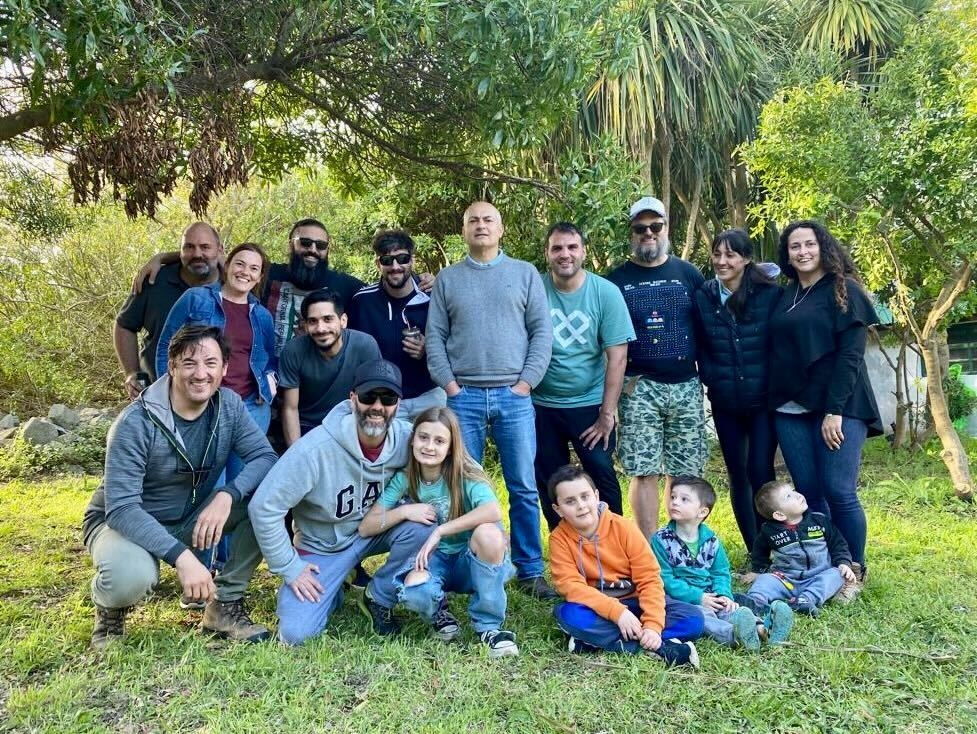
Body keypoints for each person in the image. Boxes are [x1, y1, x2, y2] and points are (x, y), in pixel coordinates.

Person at [82, 325, 277, 648]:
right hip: (124, 523)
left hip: (189, 514)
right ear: (171, 366)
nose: (201, 374)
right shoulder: (135, 423)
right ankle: (110, 611)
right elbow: (122, 508)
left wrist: (227, 494)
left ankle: (224, 605)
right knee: (131, 577)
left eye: (211, 363)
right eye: (189, 363)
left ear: (225, 369)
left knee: (267, 502)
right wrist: (184, 558)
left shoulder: (228, 405)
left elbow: (263, 457)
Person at [249, 360, 435, 645]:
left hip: (376, 531)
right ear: (352, 399)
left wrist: (489, 525)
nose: (377, 406)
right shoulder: (316, 449)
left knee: (423, 525)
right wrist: (289, 567)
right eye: (368, 396)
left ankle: (379, 596)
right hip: (323, 546)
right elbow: (264, 507)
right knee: (297, 635)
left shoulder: (409, 439)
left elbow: (461, 471)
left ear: (397, 404)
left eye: (387, 398)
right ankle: (335, 584)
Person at [426, 200, 555, 598]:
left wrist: (526, 383)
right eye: (473, 221)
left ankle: (531, 570)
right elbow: (435, 337)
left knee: (523, 484)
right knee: (462, 486)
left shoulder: (524, 273)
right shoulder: (449, 279)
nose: (481, 226)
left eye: (488, 220)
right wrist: (450, 387)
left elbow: (541, 333)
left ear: (501, 229)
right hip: (462, 396)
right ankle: (473, 565)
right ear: (463, 231)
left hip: (513, 397)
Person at [767, 220, 881, 600]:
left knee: (838, 490)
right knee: (810, 493)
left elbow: (851, 357)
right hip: (791, 407)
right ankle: (826, 568)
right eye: (794, 246)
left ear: (823, 247)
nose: (802, 252)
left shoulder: (844, 291)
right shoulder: (785, 296)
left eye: (809, 244)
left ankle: (855, 571)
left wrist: (834, 411)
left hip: (840, 406)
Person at [359, 407, 518, 657]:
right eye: (423, 437)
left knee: (489, 533)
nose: (429, 447)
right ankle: (438, 612)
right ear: (412, 441)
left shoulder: (465, 473)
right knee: (413, 588)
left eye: (439, 440)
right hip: (434, 561)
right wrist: (405, 512)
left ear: (451, 447)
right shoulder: (405, 478)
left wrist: (440, 530)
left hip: (470, 561)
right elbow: (367, 526)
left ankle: (489, 626)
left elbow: (492, 511)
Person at [606, 196, 706, 540]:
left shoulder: (688, 273)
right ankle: (650, 550)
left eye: (655, 226)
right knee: (643, 470)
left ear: (666, 228)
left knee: (684, 471)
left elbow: (709, 324)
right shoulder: (615, 281)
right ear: (631, 233)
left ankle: (679, 543)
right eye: (640, 228)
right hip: (638, 387)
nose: (648, 233)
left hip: (686, 384)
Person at [548, 465, 703, 667]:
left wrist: (653, 626)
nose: (581, 505)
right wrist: (617, 613)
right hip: (598, 608)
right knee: (567, 614)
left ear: (596, 496)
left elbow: (649, 578)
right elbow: (571, 587)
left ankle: (595, 641)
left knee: (694, 619)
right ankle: (661, 648)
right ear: (558, 509)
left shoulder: (623, 527)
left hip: (636, 601)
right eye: (570, 501)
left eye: (585, 496)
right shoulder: (559, 539)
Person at [533, 222, 635, 529]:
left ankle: (615, 542)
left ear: (583, 252)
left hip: (589, 404)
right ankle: (564, 546)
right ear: (548, 254)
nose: (565, 254)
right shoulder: (534, 289)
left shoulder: (606, 293)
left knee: (601, 473)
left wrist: (607, 413)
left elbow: (618, 357)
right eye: (557, 248)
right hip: (542, 404)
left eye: (572, 247)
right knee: (550, 479)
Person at [155, 242, 278, 478]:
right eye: (239, 264)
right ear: (227, 265)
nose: (245, 272)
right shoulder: (196, 299)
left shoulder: (262, 316)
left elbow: (269, 361)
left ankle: (232, 516)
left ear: (260, 276)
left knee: (240, 481)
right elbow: (166, 346)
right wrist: (167, 390)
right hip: (204, 404)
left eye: (254, 268)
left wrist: (267, 394)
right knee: (208, 483)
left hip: (250, 408)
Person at [693, 229, 782, 551]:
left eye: (730, 255)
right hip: (724, 400)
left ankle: (776, 541)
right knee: (738, 474)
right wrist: (712, 377)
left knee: (760, 470)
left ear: (745, 259)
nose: (722, 261)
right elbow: (701, 342)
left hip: (762, 401)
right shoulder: (704, 295)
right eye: (717, 254)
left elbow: (779, 344)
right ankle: (754, 549)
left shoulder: (768, 294)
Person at [651, 476, 793, 650]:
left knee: (730, 609)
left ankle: (763, 628)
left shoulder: (711, 540)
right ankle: (735, 636)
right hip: (681, 600)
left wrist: (724, 594)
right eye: (672, 497)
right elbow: (664, 578)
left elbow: (720, 572)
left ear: (702, 512)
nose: (674, 502)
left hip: (711, 594)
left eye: (684, 499)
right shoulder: (661, 540)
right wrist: (698, 597)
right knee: (703, 617)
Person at [115, 222, 223, 398]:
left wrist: (162, 256)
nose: (197, 254)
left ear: (220, 250)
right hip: (156, 393)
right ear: (180, 251)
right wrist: (131, 372)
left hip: (214, 397)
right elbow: (124, 325)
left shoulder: (234, 285)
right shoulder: (154, 280)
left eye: (205, 247)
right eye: (188, 247)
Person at [347, 230, 446, 420]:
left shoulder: (433, 296)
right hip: (382, 400)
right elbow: (348, 350)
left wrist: (429, 349)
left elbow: (457, 344)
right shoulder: (362, 301)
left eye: (402, 258)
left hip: (429, 395)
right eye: (386, 260)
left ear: (412, 261)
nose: (395, 266)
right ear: (378, 264)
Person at [277, 288, 381, 446]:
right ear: (305, 325)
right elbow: (290, 408)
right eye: (313, 321)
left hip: (350, 425)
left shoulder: (365, 345)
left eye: (327, 319)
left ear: (343, 320)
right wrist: (296, 454)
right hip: (307, 426)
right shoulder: (293, 351)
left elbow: (374, 400)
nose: (320, 328)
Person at [746, 480, 856, 616]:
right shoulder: (769, 531)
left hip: (819, 576)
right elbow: (759, 551)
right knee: (765, 580)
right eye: (788, 496)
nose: (797, 495)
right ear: (779, 514)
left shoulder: (819, 520)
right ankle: (755, 601)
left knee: (837, 575)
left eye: (793, 491)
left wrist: (844, 563)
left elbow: (838, 544)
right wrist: (758, 570)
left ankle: (806, 599)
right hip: (786, 579)